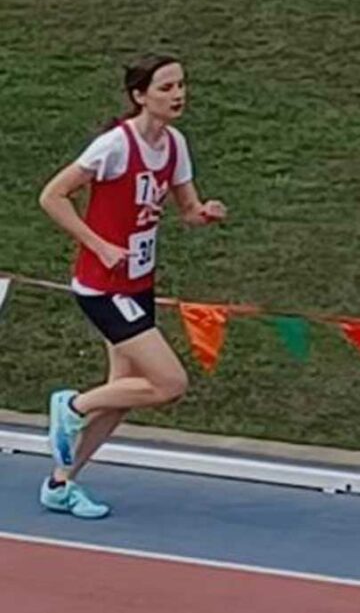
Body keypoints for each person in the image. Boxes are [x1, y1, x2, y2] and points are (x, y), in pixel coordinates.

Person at [38, 54, 226, 518]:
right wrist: (99, 245)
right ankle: (72, 405)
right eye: (165, 88)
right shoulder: (114, 147)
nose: (178, 95)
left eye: (181, 85)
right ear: (140, 96)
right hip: (104, 287)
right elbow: (52, 196)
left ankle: (60, 485)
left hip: (138, 282)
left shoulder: (175, 144)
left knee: (123, 394)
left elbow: (186, 208)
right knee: (168, 383)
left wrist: (203, 215)